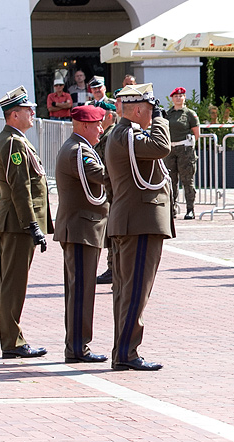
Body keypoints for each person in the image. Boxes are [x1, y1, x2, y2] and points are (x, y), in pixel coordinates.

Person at [104, 83, 173, 371]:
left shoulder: (123, 135)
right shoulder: (128, 135)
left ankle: (124, 350)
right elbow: (162, 147)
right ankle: (126, 353)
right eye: (148, 109)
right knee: (134, 292)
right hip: (139, 222)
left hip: (131, 220)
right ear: (138, 110)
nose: (152, 115)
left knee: (127, 291)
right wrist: (160, 119)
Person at [0, 86, 51, 359]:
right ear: (13, 115)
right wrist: (32, 224)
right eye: (28, 110)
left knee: (11, 282)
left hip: (17, 222)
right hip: (17, 223)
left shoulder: (15, 139)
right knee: (13, 284)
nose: (32, 114)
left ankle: (12, 339)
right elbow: (20, 187)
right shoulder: (14, 143)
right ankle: (12, 342)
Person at [53, 104, 109, 364]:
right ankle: (77, 348)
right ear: (84, 125)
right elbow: (102, 177)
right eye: (97, 124)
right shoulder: (78, 151)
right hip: (80, 229)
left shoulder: (80, 148)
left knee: (81, 290)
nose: (100, 128)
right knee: (81, 292)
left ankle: (78, 345)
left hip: (83, 228)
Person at [164, 87, 200, 219]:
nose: (178, 98)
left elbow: (196, 133)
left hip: (185, 150)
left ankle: (190, 209)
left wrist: (189, 145)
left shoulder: (189, 113)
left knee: (187, 180)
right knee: (170, 181)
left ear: (184, 98)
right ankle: (171, 209)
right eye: (176, 96)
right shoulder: (168, 114)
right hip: (170, 150)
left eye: (181, 96)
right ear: (172, 98)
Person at [94, 101, 119, 286]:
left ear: (109, 116)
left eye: (100, 116)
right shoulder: (106, 135)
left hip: (112, 190)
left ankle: (114, 270)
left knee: (113, 233)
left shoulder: (111, 135)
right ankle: (113, 269)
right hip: (108, 189)